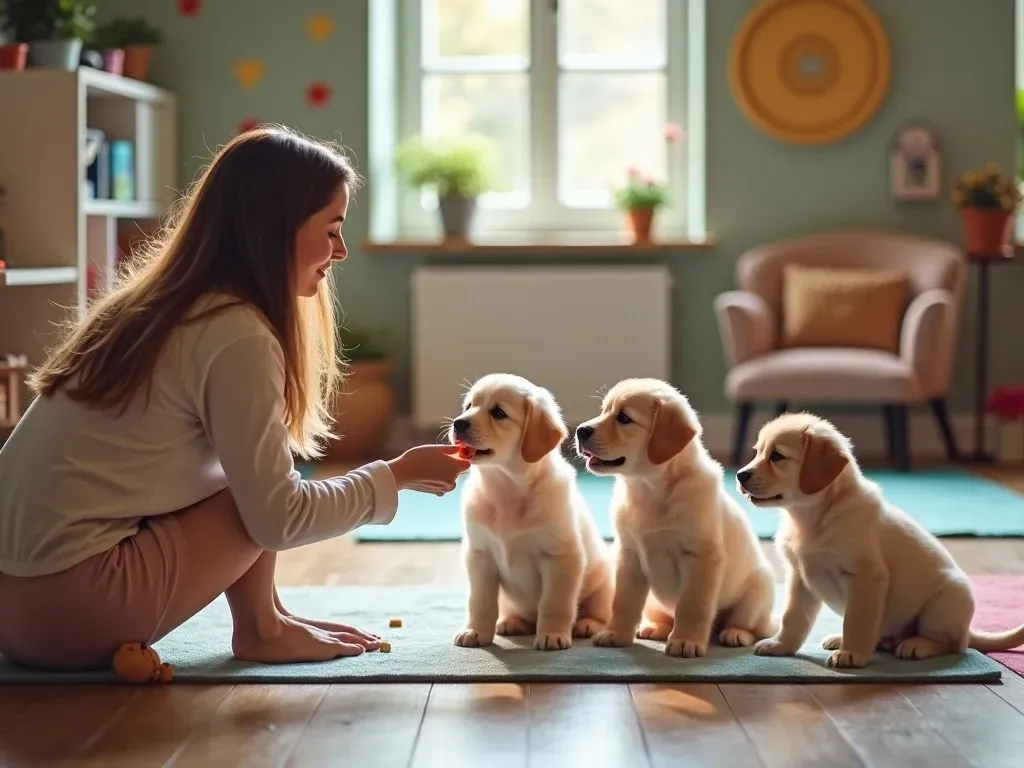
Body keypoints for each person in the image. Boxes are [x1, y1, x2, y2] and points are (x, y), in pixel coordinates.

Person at [0, 125, 470, 671]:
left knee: (248, 474)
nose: (339, 251)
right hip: (65, 610)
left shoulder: (157, 307)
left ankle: (266, 621)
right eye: (333, 230)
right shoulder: (236, 332)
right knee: (256, 492)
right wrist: (398, 475)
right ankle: (263, 630)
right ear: (278, 230)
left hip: (14, 603)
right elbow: (277, 518)